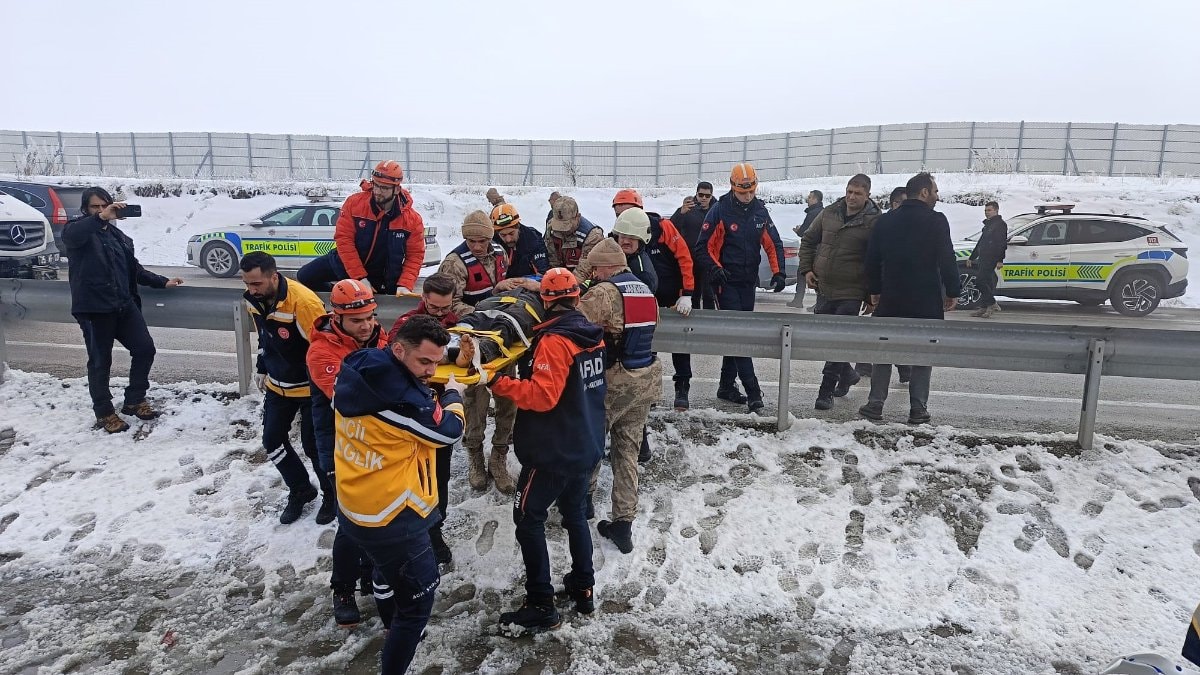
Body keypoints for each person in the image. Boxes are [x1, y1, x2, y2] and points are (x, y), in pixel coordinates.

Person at [333, 315, 466, 673]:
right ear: (398, 349)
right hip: (395, 516)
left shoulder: (358, 370)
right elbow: (448, 432)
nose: (430, 371)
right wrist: (453, 397)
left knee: (383, 569)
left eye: (436, 363)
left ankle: (389, 618)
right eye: (425, 362)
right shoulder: (404, 404)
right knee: (417, 608)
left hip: (354, 503)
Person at [485, 268, 606, 633]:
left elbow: (542, 396)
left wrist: (499, 383)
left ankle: (540, 602)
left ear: (545, 302)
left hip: (553, 451)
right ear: (576, 298)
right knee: (573, 516)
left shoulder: (555, 341)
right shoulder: (589, 335)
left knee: (527, 519)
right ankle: (582, 587)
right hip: (584, 444)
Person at [62, 187, 183, 433]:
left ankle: (134, 400)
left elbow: (135, 270)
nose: (101, 210)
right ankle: (104, 413)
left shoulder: (119, 238)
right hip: (95, 310)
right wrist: (100, 218)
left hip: (124, 306)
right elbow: (71, 236)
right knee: (99, 362)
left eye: (105, 205)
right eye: (95, 207)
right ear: (87, 209)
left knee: (145, 349)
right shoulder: (78, 232)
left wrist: (162, 281)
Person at [306, 279, 390, 628]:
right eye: (358, 320)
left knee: (379, 517)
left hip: (375, 443)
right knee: (352, 524)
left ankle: (369, 574)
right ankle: (342, 588)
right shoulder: (321, 352)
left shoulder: (381, 339)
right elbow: (348, 398)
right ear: (337, 317)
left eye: (370, 317)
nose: (366, 325)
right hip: (339, 445)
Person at [577, 238, 660, 554]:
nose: (595, 274)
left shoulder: (604, 292)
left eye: (597, 268)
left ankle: (583, 501)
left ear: (607, 266)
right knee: (627, 451)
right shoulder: (644, 290)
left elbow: (576, 323)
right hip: (645, 380)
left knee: (592, 442)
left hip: (613, 381)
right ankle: (623, 523)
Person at [860, 173, 960, 425]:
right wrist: (953, 291)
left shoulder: (886, 221)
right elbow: (947, 258)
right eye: (935, 191)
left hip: (891, 297)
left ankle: (875, 404)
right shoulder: (936, 221)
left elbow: (872, 260)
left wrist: (874, 290)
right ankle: (918, 408)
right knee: (923, 353)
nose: (937, 196)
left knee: (883, 350)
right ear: (924, 192)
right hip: (926, 299)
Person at [240, 252, 332, 524]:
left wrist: (323, 390)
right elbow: (264, 337)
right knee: (272, 441)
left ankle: (332, 495)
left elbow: (323, 348)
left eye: (256, 283)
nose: (251, 289)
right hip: (278, 386)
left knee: (315, 447)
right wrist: (262, 366)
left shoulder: (303, 303)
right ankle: (301, 489)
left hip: (309, 389)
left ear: (273, 276)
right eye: (246, 283)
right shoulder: (253, 300)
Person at [693, 162, 786, 413]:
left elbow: (772, 243)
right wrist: (715, 269)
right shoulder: (720, 210)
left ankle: (725, 385)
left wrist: (778, 272)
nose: (747, 196)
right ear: (733, 187)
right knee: (740, 336)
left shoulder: (759, 211)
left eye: (751, 192)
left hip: (748, 282)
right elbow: (703, 247)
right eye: (743, 192)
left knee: (736, 336)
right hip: (725, 283)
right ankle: (753, 391)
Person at [437, 211, 518, 495]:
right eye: (471, 241)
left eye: (482, 240)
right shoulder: (454, 263)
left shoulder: (500, 252)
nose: (477, 246)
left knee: (508, 401)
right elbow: (449, 304)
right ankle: (474, 456)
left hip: (502, 341)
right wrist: (483, 315)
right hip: (471, 342)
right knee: (475, 404)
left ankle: (499, 456)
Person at [388, 273, 462, 566]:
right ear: (424, 300)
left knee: (439, 476)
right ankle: (412, 532)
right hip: (410, 413)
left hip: (439, 410)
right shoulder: (407, 326)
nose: (441, 313)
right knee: (412, 477)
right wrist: (447, 356)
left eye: (445, 308)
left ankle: (434, 529)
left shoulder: (456, 321)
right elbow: (395, 356)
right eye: (434, 308)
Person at [796, 174, 881, 411]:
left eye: (858, 193)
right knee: (823, 339)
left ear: (868, 195)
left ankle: (825, 393)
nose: (852, 197)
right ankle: (848, 374)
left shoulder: (874, 221)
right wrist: (806, 269)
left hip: (852, 290)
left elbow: (876, 258)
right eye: (849, 191)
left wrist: (872, 293)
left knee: (837, 341)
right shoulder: (830, 213)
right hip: (824, 287)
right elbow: (808, 240)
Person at [612, 190, 696, 409]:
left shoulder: (662, 227)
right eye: (619, 213)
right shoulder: (619, 235)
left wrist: (687, 293)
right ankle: (648, 394)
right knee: (646, 349)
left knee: (679, 344)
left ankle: (682, 387)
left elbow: (684, 257)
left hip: (671, 298)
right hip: (644, 301)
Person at [297, 160, 425, 296]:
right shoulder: (354, 204)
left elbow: (415, 255)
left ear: (397, 189)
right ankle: (341, 297)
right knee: (305, 276)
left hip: (383, 275)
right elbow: (344, 240)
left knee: (380, 306)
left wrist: (405, 284)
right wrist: (359, 278)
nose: (377, 191)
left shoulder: (412, 220)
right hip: (345, 264)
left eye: (384, 188)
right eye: (375, 185)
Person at [574, 204, 658, 293]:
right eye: (622, 237)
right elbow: (591, 275)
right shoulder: (608, 253)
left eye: (632, 238)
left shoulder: (643, 275)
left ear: (642, 240)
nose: (625, 241)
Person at [671, 182, 717, 310]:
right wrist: (681, 213)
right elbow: (672, 227)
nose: (703, 198)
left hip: (709, 259)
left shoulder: (716, 210)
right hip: (691, 258)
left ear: (711, 196)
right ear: (696, 194)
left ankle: (710, 325)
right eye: (701, 195)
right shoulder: (688, 209)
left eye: (707, 196)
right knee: (693, 294)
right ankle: (694, 324)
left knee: (709, 294)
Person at [491, 203, 549, 292]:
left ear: (518, 226)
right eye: (503, 235)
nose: (508, 239)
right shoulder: (491, 242)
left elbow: (543, 274)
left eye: (511, 233)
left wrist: (525, 282)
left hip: (529, 287)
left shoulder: (533, 239)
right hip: (501, 287)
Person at [967, 201, 1008, 318]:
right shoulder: (988, 224)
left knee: (980, 281)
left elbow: (1002, 243)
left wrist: (1000, 259)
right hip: (983, 257)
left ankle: (992, 303)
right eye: (985, 210)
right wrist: (972, 257)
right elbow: (981, 242)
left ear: (996, 210)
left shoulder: (1000, 224)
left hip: (992, 258)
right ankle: (984, 307)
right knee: (987, 282)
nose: (987, 213)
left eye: (989, 210)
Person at [787, 190, 825, 309]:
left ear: (815, 199)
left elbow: (805, 232)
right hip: (820, 249)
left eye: (809, 197)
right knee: (815, 275)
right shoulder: (823, 212)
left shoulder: (813, 213)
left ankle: (801, 301)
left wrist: (798, 230)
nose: (807, 199)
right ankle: (814, 302)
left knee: (803, 273)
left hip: (812, 249)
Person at [545, 196, 604, 271]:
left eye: (566, 224)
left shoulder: (593, 235)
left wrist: (568, 281)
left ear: (577, 217)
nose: (561, 230)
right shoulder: (551, 227)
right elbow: (553, 260)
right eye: (558, 224)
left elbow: (585, 270)